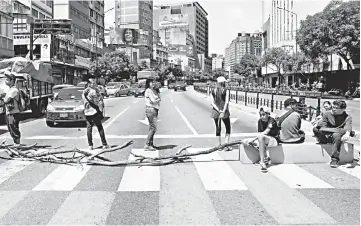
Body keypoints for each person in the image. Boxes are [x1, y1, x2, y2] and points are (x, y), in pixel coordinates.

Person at [313, 100, 353, 168]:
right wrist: (341, 130)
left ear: (343, 109)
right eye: (333, 107)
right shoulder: (327, 113)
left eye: (336, 108)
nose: (334, 109)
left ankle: (334, 159)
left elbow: (348, 127)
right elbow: (323, 128)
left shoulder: (347, 117)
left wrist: (347, 133)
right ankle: (325, 140)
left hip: (336, 134)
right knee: (315, 129)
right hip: (328, 131)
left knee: (336, 135)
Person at [244, 107, 279, 171]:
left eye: (263, 115)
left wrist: (255, 139)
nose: (262, 116)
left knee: (261, 137)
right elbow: (260, 133)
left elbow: (266, 132)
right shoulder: (260, 121)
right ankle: (265, 157)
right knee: (245, 142)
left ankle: (262, 162)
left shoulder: (271, 120)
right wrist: (254, 140)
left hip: (273, 140)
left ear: (268, 114)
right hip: (264, 139)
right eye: (260, 115)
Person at [83, 79, 109, 150]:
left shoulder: (84, 92)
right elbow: (96, 102)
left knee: (89, 128)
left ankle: (90, 145)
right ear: (90, 84)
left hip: (87, 112)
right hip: (94, 112)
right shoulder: (93, 91)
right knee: (100, 127)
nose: (95, 85)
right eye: (93, 83)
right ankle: (104, 144)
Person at [210, 76, 232, 151]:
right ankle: (226, 145)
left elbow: (212, 103)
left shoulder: (213, 90)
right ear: (223, 82)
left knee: (218, 128)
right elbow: (227, 102)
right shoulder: (226, 90)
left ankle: (219, 146)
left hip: (216, 111)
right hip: (224, 111)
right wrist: (223, 111)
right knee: (228, 127)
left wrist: (218, 110)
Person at [3, 71, 21, 147]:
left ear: (12, 81)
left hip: (13, 113)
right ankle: (15, 144)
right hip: (9, 112)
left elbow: (6, 100)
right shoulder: (10, 90)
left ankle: (17, 144)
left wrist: (4, 98)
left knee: (13, 127)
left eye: (7, 79)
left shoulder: (14, 90)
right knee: (11, 128)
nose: (6, 81)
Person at [144, 78, 161, 151]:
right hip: (151, 110)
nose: (153, 84)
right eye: (151, 82)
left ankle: (151, 144)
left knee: (152, 128)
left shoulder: (154, 90)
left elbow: (159, 98)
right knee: (153, 128)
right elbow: (153, 101)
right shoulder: (148, 90)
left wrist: (157, 99)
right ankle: (147, 144)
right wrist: (157, 100)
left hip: (155, 109)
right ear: (148, 83)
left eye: (153, 82)